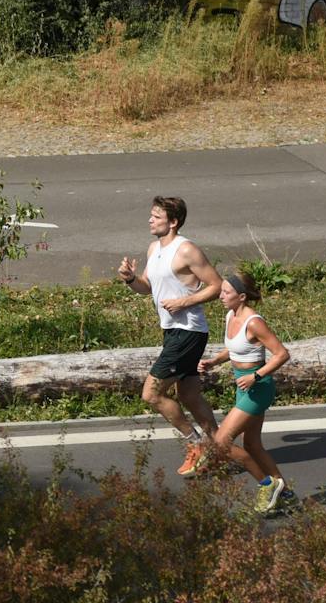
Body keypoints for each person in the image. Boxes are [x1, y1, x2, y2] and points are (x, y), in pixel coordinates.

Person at [117, 196, 222, 472]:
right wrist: (131, 279)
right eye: (151, 215)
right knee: (189, 396)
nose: (150, 220)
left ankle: (196, 444)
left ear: (173, 222)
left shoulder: (186, 250)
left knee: (151, 394)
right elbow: (147, 287)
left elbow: (217, 286)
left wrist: (184, 302)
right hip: (172, 331)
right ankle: (219, 447)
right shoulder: (154, 248)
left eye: (156, 216)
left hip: (188, 331)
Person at [197, 269, 296, 513]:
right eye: (221, 291)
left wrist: (255, 376)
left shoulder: (254, 322)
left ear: (241, 297)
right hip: (244, 387)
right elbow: (235, 348)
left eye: (226, 292)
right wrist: (214, 361)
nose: (221, 296)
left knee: (221, 443)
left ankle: (267, 485)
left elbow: (282, 354)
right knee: (252, 444)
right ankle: (287, 494)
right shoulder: (231, 315)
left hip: (258, 388)